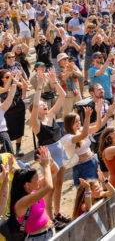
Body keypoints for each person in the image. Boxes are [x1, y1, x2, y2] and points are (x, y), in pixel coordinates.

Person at [29, 70, 68, 224]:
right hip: (49, 157)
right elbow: (36, 104)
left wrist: (54, 81)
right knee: (49, 190)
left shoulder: (51, 115)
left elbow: (63, 96)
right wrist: (39, 87)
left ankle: (57, 213)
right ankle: (50, 219)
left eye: (46, 104)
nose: (45, 106)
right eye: (41, 105)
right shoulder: (35, 124)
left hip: (60, 153)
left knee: (59, 186)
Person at [10, 147, 57, 238]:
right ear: (27, 185)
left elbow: (55, 171)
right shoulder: (22, 202)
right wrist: (46, 166)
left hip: (49, 232)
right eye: (36, 180)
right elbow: (49, 186)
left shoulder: (33, 191)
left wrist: (49, 160)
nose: (39, 180)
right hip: (39, 238)